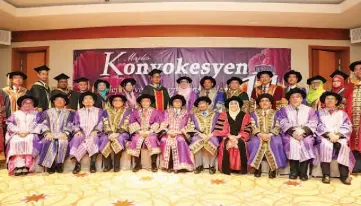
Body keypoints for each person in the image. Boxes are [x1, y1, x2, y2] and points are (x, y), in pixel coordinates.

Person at [278, 88, 318, 181]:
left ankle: (303, 171)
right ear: (289, 99)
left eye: (298, 97)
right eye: (293, 97)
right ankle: (294, 171)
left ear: (301, 99)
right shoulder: (284, 109)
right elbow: (283, 122)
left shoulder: (309, 110)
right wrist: (293, 132)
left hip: (305, 133)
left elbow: (313, 122)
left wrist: (302, 131)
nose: (295, 99)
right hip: (290, 133)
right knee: (292, 143)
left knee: (307, 142)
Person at [316, 91, 353, 185]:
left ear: (336, 101)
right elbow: (317, 125)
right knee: (325, 145)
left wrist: (338, 135)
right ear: (324, 101)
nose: (329, 101)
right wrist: (329, 134)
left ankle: (344, 176)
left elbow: (347, 126)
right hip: (324, 136)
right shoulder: (318, 113)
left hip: (339, 136)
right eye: (327, 99)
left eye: (332, 99)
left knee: (344, 146)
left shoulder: (342, 113)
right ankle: (326, 175)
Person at [247, 94, 287, 178]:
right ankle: (257, 167)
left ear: (270, 103)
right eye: (262, 101)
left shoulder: (277, 113)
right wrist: (260, 134)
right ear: (259, 104)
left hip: (273, 134)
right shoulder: (253, 114)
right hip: (258, 134)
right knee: (255, 142)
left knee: (276, 142)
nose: (264, 103)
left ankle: (273, 168)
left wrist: (270, 134)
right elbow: (252, 125)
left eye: (267, 101)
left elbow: (278, 125)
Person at [213, 96, 251, 175]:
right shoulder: (223, 115)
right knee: (225, 144)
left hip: (240, 137)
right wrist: (229, 136)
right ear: (229, 106)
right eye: (231, 104)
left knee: (240, 143)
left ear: (238, 105)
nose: (233, 105)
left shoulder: (245, 115)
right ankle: (227, 168)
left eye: (235, 104)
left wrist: (238, 136)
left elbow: (247, 128)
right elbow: (220, 128)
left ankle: (239, 168)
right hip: (227, 136)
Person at [37, 93, 74, 174]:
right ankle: (50, 164)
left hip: (63, 134)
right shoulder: (47, 112)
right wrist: (47, 133)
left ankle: (60, 164)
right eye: (57, 100)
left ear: (65, 102)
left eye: (62, 100)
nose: (59, 101)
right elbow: (43, 124)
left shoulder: (69, 113)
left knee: (63, 142)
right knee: (48, 141)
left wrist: (65, 133)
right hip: (51, 134)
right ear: (54, 101)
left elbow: (71, 124)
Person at [5, 95, 42, 176]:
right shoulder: (15, 114)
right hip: (17, 133)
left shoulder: (37, 114)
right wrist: (18, 131)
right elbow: (9, 124)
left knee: (29, 140)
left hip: (31, 133)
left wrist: (28, 131)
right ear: (21, 104)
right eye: (25, 103)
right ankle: (18, 165)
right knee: (15, 140)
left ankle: (28, 166)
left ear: (33, 105)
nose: (27, 105)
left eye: (30, 103)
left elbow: (39, 125)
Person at [69, 92, 104, 174]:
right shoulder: (78, 112)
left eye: (90, 99)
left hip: (95, 132)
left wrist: (96, 130)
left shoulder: (99, 111)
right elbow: (75, 123)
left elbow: (102, 122)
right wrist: (77, 131)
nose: (88, 100)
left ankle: (92, 164)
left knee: (94, 138)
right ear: (82, 102)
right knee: (76, 138)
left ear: (93, 101)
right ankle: (77, 164)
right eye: (86, 99)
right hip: (82, 133)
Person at [159, 95, 194, 173]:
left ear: (182, 103)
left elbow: (189, 125)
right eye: (175, 101)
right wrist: (168, 131)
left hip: (181, 133)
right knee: (164, 140)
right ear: (172, 103)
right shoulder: (167, 112)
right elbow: (163, 123)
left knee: (180, 140)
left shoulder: (187, 113)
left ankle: (181, 166)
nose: (177, 103)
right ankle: (168, 165)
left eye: (179, 101)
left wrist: (179, 132)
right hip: (168, 132)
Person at [128, 94, 162, 172]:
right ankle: (137, 164)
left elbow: (157, 122)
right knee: (136, 139)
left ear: (150, 102)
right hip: (139, 132)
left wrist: (149, 131)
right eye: (143, 101)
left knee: (152, 139)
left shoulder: (156, 112)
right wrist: (139, 131)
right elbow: (132, 121)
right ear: (140, 102)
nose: (145, 103)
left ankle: (153, 164)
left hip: (151, 132)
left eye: (147, 101)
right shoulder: (135, 112)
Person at [186, 96, 220, 174]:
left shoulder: (216, 114)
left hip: (212, 134)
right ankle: (199, 165)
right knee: (195, 140)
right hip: (199, 134)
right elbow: (190, 127)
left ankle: (212, 166)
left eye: (203, 103)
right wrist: (200, 134)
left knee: (214, 140)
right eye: (199, 104)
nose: (201, 105)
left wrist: (211, 134)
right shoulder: (193, 115)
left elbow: (219, 126)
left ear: (207, 104)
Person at [98, 94, 131, 172]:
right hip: (108, 132)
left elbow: (127, 123)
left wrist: (117, 133)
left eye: (119, 100)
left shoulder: (128, 111)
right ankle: (107, 164)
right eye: (115, 100)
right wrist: (109, 133)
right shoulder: (106, 111)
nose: (117, 102)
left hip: (122, 133)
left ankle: (117, 164)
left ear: (123, 102)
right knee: (104, 139)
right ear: (112, 102)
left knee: (119, 139)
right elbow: (104, 122)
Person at [344, 61, 361, 172]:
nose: (358, 71)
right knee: (353, 140)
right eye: (356, 69)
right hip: (352, 118)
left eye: (360, 68)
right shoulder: (350, 86)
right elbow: (344, 102)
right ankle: (356, 166)